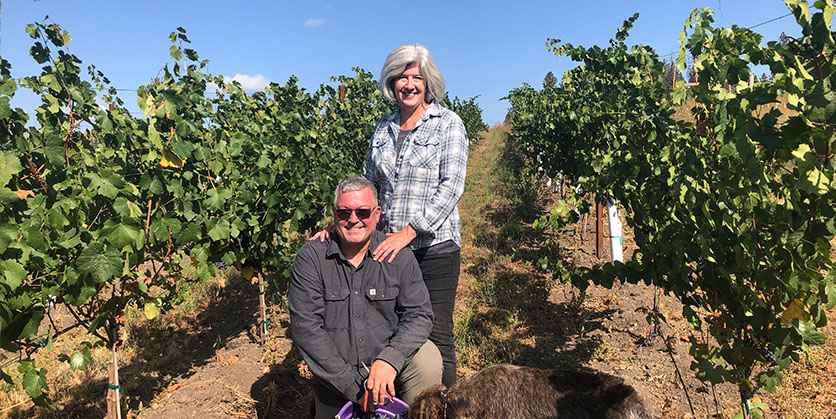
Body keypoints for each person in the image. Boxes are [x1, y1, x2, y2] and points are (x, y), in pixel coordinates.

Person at [315, 43, 467, 388]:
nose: (409, 84)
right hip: (387, 248)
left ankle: (445, 408)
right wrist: (341, 225)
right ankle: (396, 400)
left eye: (416, 76)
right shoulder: (382, 128)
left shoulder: (448, 125)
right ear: (391, 82)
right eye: (401, 76)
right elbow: (368, 185)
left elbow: (451, 188)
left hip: (433, 249)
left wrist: (409, 233)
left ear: (428, 82)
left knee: (437, 333)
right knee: (390, 325)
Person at [290, 177, 442, 419]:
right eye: (344, 212)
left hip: (389, 364)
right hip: (338, 377)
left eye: (362, 212)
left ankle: (412, 412)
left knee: (428, 359)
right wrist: (356, 390)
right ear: (334, 213)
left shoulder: (398, 256)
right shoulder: (311, 258)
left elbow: (419, 315)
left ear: (377, 213)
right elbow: (306, 329)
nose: (353, 220)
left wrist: (390, 360)